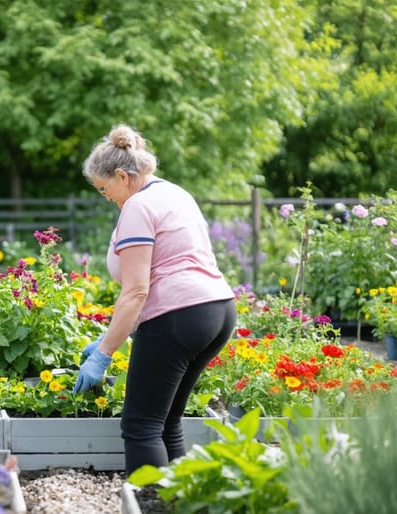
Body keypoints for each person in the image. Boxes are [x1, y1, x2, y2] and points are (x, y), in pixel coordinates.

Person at [73, 124, 236, 476]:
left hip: (178, 317)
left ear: (122, 176)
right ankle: (176, 501)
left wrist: (103, 355)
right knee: (166, 422)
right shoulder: (176, 193)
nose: (107, 198)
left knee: (140, 425)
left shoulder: (137, 206)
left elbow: (136, 290)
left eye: (104, 189)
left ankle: (149, 504)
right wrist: (110, 336)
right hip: (217, 310)